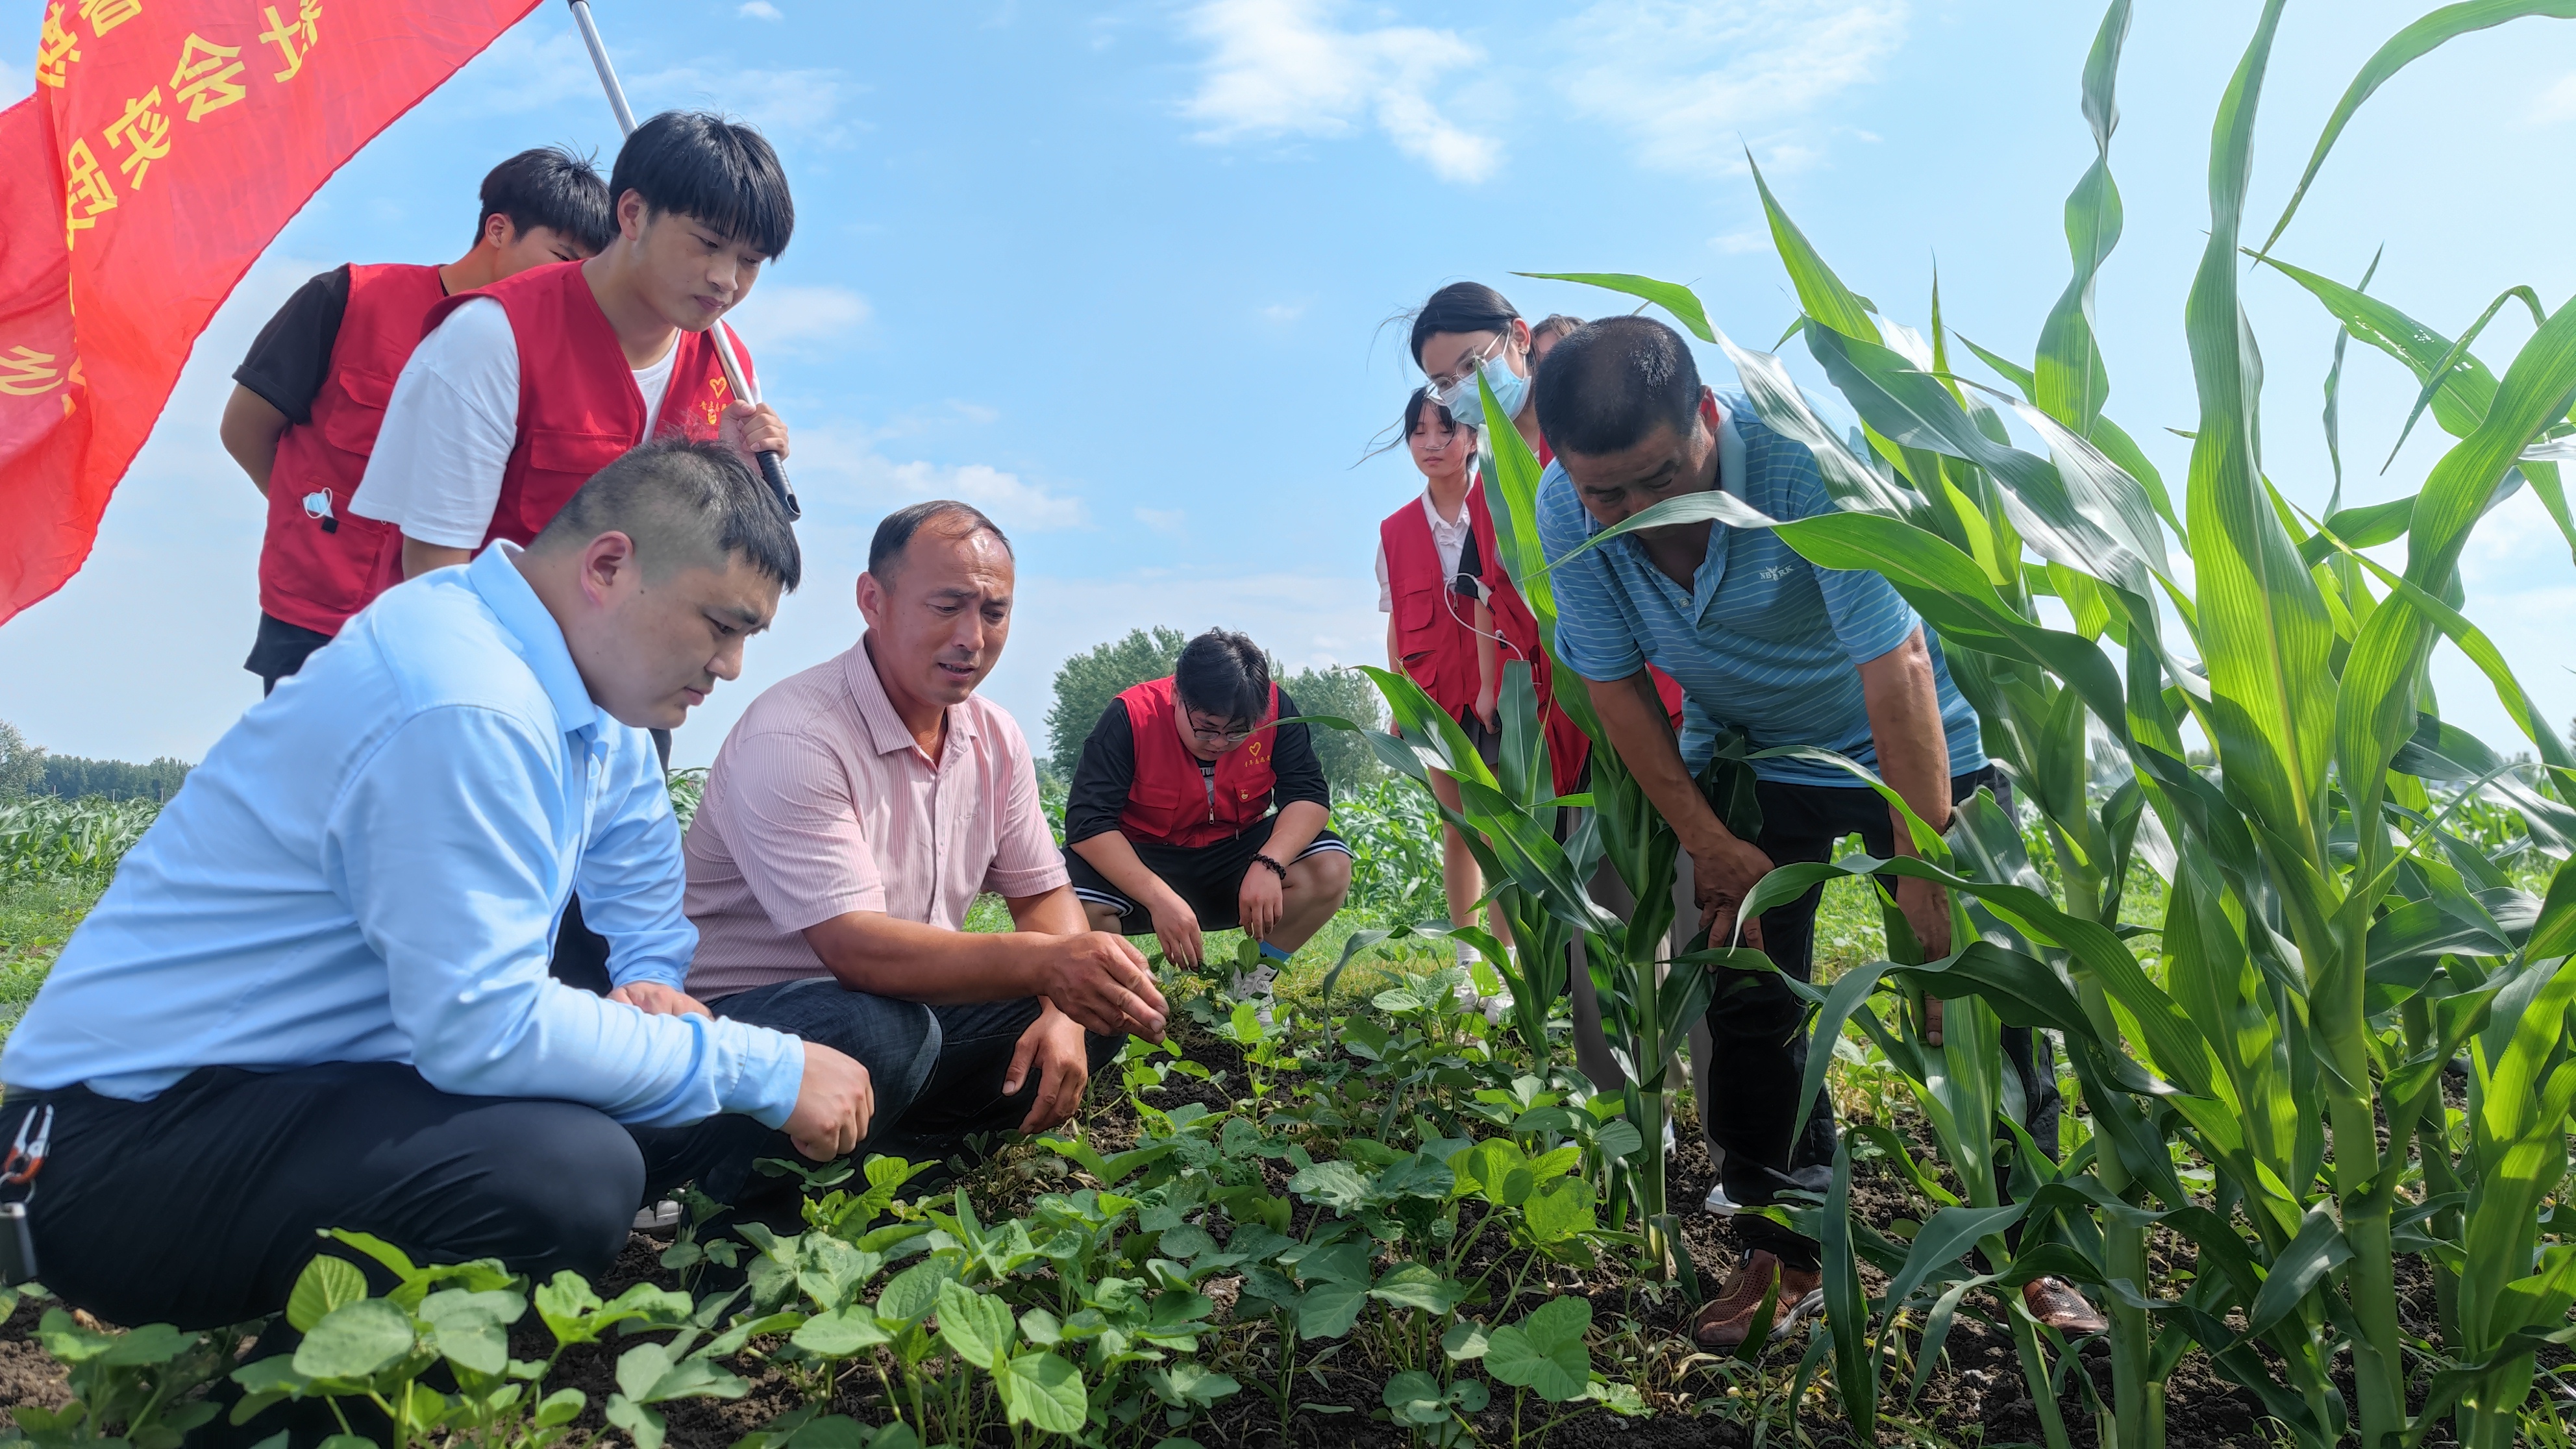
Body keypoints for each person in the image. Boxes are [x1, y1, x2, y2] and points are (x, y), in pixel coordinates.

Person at [0, 440, 883, 1341]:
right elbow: (483, 1029)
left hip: (323, 1094)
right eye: (720, 626)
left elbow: (636, 868)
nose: (730, 667)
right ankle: (271, 1426)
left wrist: (657, 979)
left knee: (843, 1039)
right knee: (565, 1176)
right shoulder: (467, 703)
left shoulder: (582, 685)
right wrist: (758, 1067)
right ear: (610, 566)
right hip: (112, 1146)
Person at [1531, 315, 2101, 1348]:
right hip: (1750, 751)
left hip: (1907, 747)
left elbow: (1901, 670)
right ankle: (1784, 1253)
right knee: (1746, 990)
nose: (1629, 512)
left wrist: (1925, 863)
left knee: (1978, 988)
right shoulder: (1570, 509)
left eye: (1657, 479)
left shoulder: (1799, 462)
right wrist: (1707, 841)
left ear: (1705, 417)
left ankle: (2029, 1256)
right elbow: (1612, 686)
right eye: (1601, 491)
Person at [681, 501, 1167, 1192]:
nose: (971, 636)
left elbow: (1043, 896)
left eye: (993, 613)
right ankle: (738, 1193)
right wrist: (1049, 962)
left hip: (902, 1009)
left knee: (1101, 999)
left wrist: (1062, 1005)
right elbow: (857, 951)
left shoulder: (994, 737)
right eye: (946, 606)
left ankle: (894, 1174)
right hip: (753, 1019)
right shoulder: (796, 735)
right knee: (880, 1031)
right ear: (871, 600)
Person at [223, 147, 614, 693]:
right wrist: (314, 524)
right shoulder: (350, 298)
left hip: (448, 642)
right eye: (563, 256)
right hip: (317, 623)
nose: (572, 280)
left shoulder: (547, 361)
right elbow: (244, 429)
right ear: (498, 230)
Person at [350, 110, 794, 582]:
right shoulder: (492, 337)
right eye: (708, 244)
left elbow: (716, 581)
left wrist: (740, 484)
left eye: (750, 261)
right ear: (633, 215)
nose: (726, 280)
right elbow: (432, 573)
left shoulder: (730, 371)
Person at [1062, 630, 1352, 1025]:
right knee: (1072, 904)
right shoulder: (1130, 717)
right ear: (1178, 695)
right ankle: (1125, 995)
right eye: (1207, 728)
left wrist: (1270, 864)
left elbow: (1308, 796)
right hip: (1146, 861)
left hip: (1236, 857)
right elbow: (1088, 823)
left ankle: (1252, 984)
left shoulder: (1277, 709)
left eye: (1238, 732)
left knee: (1330, 866)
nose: (1220, 743)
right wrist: (1159, 898)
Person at [1374, 386, 1517, 1015]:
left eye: (1445, 429)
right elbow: (1395, 622)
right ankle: (1468, 964)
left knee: (1510, 827)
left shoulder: (1504, 502)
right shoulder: (1394, 530)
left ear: (1472, 436)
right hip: (1435, 700)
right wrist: (1398, 694)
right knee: (1456, 827)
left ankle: (1511, 963)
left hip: (1507, 692)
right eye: (1418, 433)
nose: (1431, 444)